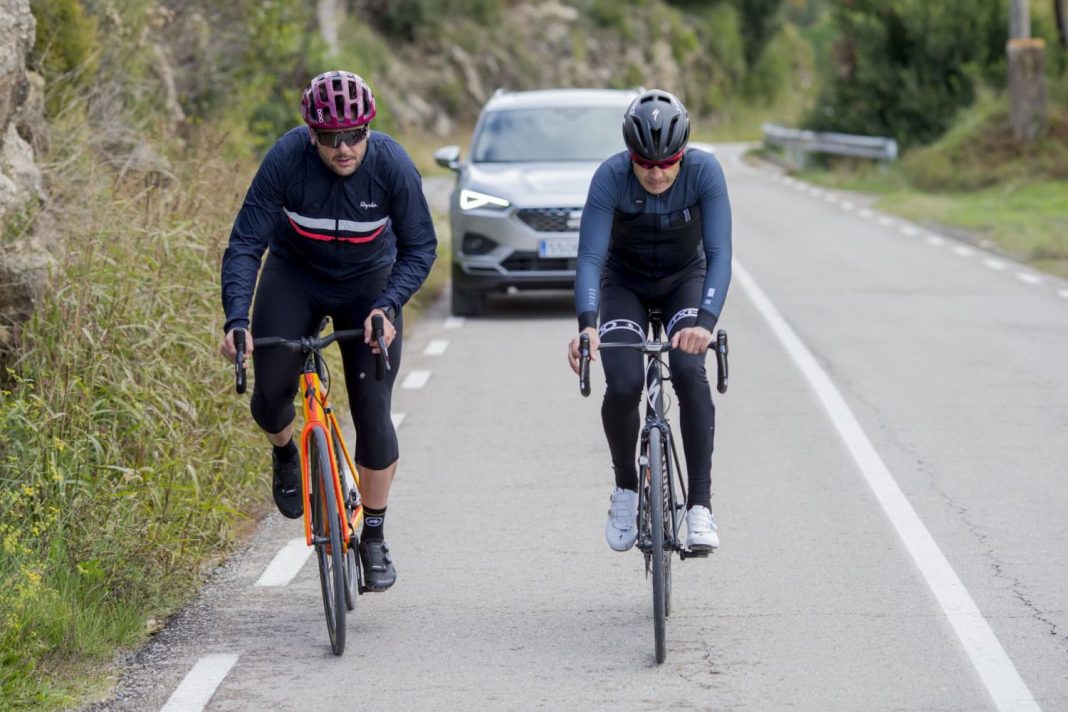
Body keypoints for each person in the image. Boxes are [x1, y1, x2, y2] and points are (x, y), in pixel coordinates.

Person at [219, 70, 437, 591]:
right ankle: (286, 452)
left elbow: (421, 247)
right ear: (310, 134)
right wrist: (236, 320)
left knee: (373, 410)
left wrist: (388, 305)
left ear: (369, 129)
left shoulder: (392, 165)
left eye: (355, 135)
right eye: (330, 138)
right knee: (271, 393)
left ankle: (376, 537)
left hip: (370, 284)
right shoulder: (286, 160)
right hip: (295, 274)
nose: (344, 149)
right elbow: (247, 242)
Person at [567, 89, 731, 553]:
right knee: (622, 383)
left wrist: (705, 320)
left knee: (687, 371)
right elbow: (590, 258)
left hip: (685, 280)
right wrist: (586, 324)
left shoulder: (705, 173)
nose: (656, 173)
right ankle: (625, 489)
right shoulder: (609, 178)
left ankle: (700, 506)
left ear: (683, 154)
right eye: (645, 163)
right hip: (625, 284)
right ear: (629, 155)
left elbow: (720, 255)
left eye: (667, 162)